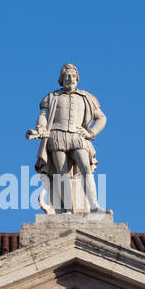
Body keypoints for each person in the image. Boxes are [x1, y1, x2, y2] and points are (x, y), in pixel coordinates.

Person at [25, 63, 107, 213]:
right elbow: (43, 116)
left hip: (78, 136)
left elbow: (102, 118)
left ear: (77, 78)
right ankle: (67, 209)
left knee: (86, 169)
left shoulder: (87, 97)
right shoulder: (51, 97)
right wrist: (40, 128)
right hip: (57, 136)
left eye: (73, 76)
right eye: (67, 76)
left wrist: (91, 133)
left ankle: (94, 206)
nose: (70, 79)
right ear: (61, 79)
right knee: (61, 172)